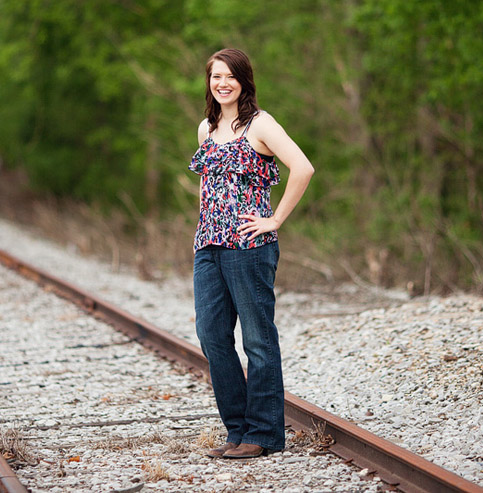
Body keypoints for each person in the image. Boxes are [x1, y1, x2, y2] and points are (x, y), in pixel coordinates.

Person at [189, 48, 314, 459]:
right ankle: (237, 430)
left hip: (249, 246)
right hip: (209, 246)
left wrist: (274, 219)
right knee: (211, 336)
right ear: (209, 82)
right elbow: (210, 189)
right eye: (215, 76)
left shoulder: (260, 125)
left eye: (229, 76)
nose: (221, 83)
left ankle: (263, 435)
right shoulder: (206, 129)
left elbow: (303, 167)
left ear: (243, 80)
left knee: (258, 341)